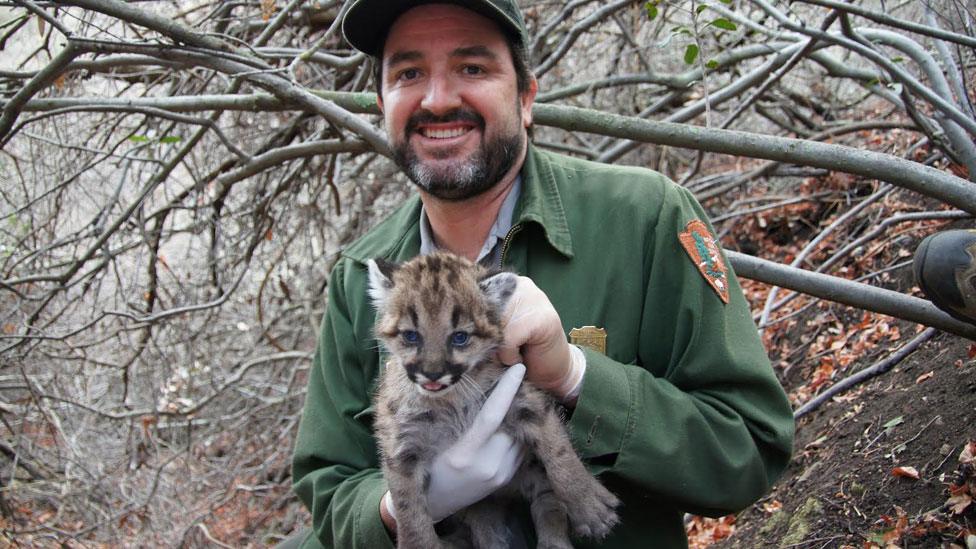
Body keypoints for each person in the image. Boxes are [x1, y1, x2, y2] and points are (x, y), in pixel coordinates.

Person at [289, 1, 795, 547]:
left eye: (473, 68)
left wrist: (577, 379)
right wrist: (395, 511)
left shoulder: (642, 216)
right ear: (382, 105)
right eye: (409, 73)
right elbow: (328, 491)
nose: (437, 99)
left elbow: (748, 451)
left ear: (526, 97)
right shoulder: (358, 276)